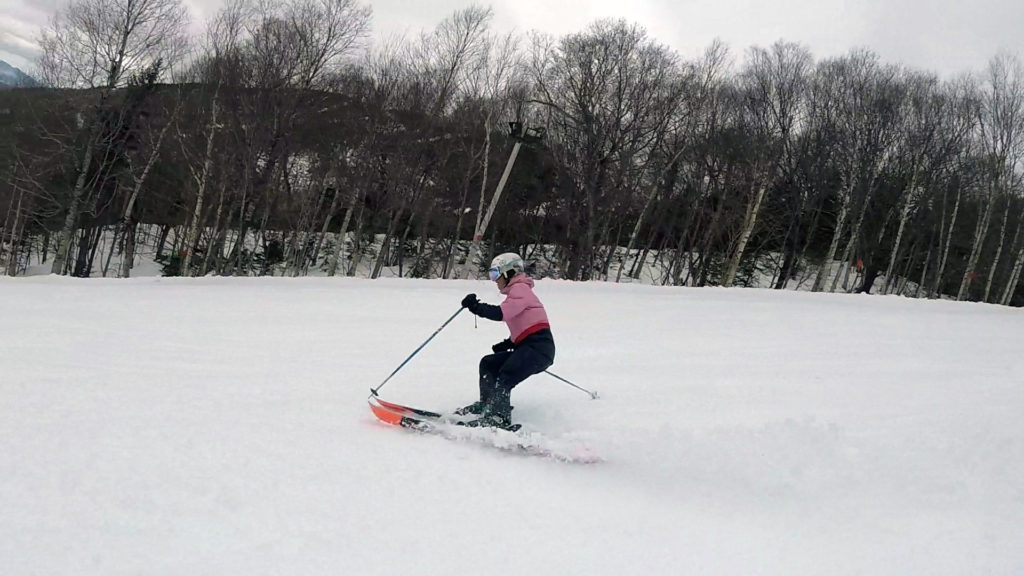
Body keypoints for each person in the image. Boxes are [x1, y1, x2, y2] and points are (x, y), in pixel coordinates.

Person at [458, 252, 555, 427]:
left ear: (509, 272)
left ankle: (499, 418)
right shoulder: (518, 292)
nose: (494, 280)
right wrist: (508, 343)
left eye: (495, 274)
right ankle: (488, 404)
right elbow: (527, 324)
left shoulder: (520, 290)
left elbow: (501, 313)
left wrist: (476, 307)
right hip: (529, 346)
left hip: (538, 349)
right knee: (489, 363)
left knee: (506, 375)